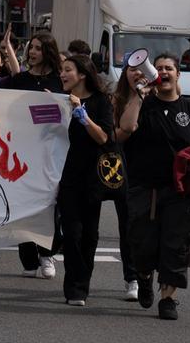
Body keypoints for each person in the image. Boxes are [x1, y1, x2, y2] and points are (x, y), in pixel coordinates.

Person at [116, 53, 190, 321]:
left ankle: (168, 299)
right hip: (144, 187)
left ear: (178, 74)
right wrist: (139, 95)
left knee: (176, 243)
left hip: (180, 191)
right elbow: (125, 128)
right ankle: (144, 277)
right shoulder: (141, 104)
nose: (164, 72)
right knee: (142, 244)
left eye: (169, 68)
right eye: (158, 68)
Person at [0, 27, 63, 280]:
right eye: (31, 47)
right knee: (24, 206)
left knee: (49, 207)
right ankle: (28, 258)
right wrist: (8, 47)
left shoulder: (59, 81)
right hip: (22, 154)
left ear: (48, 52)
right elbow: (12, 78)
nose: (33, 52)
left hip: (50, 154)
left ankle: (47, 254)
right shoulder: (21, 79)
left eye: (38, 48)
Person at [57, 55, 114, 307]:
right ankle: (74, 288)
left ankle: (83, 282)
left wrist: (82, 113)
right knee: (71, 232)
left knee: (90, 235)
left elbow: (103, 138)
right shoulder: (59, 101)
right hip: (66, 177)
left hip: (92, 179)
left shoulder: (101, 102)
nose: (62, 74)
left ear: (82, 74)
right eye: (61, 70)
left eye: (67, 70)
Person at [109, 60, 145, 301]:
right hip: (125, 172)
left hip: (153, 173)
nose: (138, 73)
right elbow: (125, 129)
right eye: (133, 69)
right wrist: (139, 97)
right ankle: (132, 277)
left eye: (143, 68)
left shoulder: (159, 97)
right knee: (129, 228)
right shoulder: (117, 100)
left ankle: (147, 274)